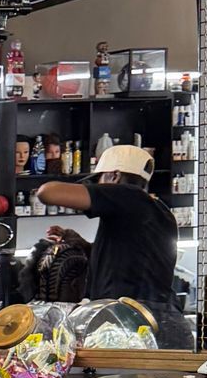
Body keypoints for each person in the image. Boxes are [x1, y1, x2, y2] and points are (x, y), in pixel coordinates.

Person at [35, 142, 191, 344]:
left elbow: (47, 192)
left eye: (100, 178)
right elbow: (128, 265)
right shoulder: (159, 212)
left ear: (114, 176)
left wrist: (94, 190)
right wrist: (83, 245)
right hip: (164, 323)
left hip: (133, 325)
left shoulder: (127, 194)